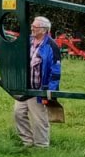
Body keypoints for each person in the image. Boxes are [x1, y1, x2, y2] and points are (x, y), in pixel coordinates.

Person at [13, 15, 61, 148]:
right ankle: (27, 142)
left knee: (39, 119)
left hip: (39, 89)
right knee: (18, 113)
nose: (32, 28)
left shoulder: (51, 45)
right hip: (24, 87)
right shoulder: (27, 41)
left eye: (35, 26)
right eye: (32, 26)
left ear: (44, 30)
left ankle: (41, 145)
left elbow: (55, 71)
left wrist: (49, 92)